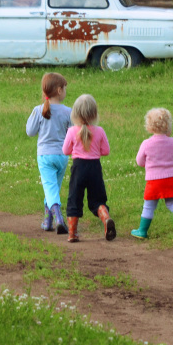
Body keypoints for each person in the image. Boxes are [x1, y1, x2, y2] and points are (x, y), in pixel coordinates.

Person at [62, 94, 116, 242]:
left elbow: (65, 151)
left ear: (75, 113)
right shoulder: (99, 131)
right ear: (94, 113)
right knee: (97, 199)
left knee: (74, 198)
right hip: (94, 168)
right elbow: (106, 151)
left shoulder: (72, 131)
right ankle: (105, 218)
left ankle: (72, 233)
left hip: (78, 167)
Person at [131, 108, 173, 239]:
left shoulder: (146, 144)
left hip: (154, 181)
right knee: (172, 202)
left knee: (149, 206)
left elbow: (140, 161)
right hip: (171, 178)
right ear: (168, 125)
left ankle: (142, 230)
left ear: (149, 126)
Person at [26, 73, 71, 234]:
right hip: (62, 156)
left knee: (50, 187)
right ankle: (48, 221)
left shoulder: (38, 110)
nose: (66, 91)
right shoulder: (68, 112)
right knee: (53, 188)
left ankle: (58, 218)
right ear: (59, 90)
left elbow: (30, 132)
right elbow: (72, 133)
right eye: (65, 88)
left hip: (45, 156)